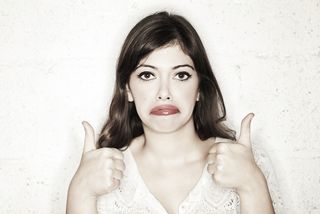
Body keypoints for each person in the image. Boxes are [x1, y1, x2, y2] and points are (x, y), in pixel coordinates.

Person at [67, 11, 280, 214]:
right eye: (147, 75)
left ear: (199, 89)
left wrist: (252, 184)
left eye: (181, 75)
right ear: (128, 89)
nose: (164, 93)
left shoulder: (246, 162)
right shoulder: (99, 171)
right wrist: (80, 193)